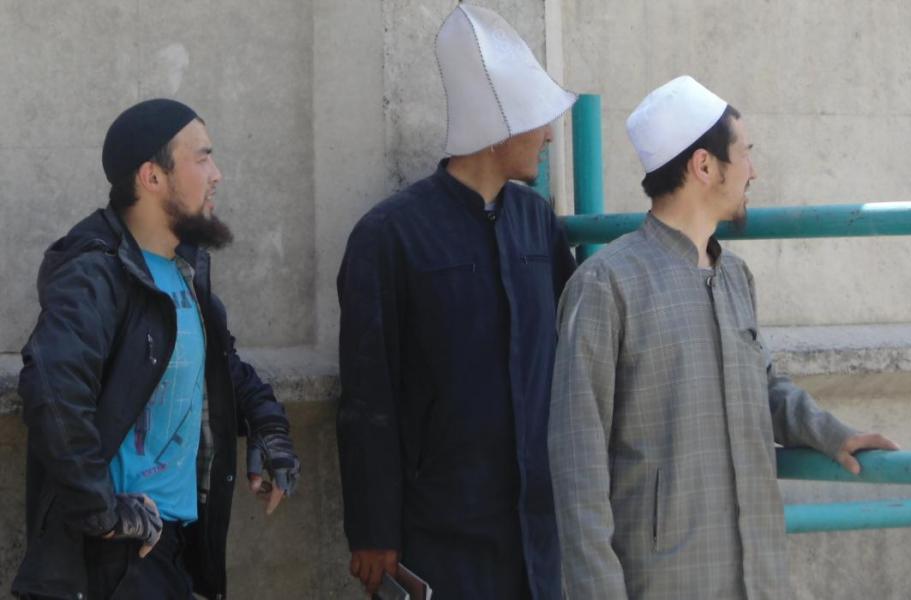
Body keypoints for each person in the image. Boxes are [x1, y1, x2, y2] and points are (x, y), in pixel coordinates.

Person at [548, 75, 898, 599]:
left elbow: (763, 385)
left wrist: (830, 433)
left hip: (757, 577)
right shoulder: (606, 285)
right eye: (745, 153)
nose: (753, 170)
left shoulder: (735, 277)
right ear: (704, 166)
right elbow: (577, 463)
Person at [12, 99, 300, 600]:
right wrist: (104, 514)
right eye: (202, 157)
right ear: (152, 177)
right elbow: (53, 394)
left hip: (174, 548)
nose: (217, 174)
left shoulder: (184, 272)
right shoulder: (95, 274)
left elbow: (222, 368)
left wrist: (269, 429)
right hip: (113, 562)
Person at [336, 4, 577, 599]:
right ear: (498, 125)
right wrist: (372, 528)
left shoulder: (538, 224)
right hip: (439, 530)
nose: (549, 136)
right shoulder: (389, 236)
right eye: (538, 120)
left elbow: (572, 355)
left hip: (535, 530)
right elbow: (368, 393)